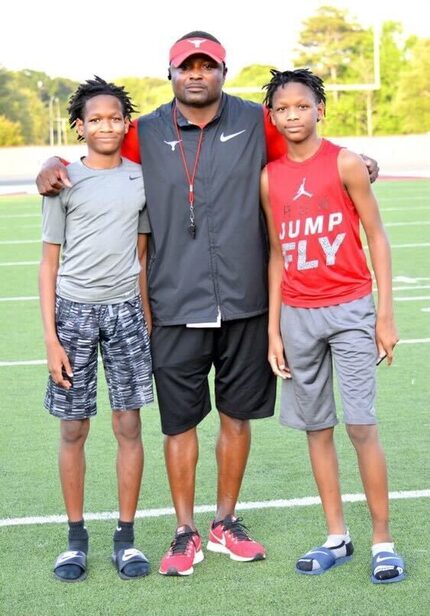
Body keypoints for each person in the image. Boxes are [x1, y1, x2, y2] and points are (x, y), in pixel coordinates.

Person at [36, 32, 380, 578]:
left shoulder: (254, 120)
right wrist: (51, 161)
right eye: (186, 66)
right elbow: (95, 152)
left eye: (208, 65)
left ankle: (225, 521)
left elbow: (304, 139)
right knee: (180, 425)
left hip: (246, 300)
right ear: (171, 73)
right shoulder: (145, 130)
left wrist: (358, 157)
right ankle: (184, 530)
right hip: (174, 301)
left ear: (223, 71)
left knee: (236, 418)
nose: (197, 74)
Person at [260, 68, 405, 584]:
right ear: (273, 117)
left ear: (320, 109)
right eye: (283, 109)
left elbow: (377, 236)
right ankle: (336, 536)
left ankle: (382, 540)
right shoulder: (269, 175)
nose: (293, 115)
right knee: (316, 429)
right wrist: (274, 329)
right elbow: (277, 254)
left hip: (350, 309)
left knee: (362, 425)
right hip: (297, 315)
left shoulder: (345, 162)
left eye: (302, 106)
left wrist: (384, 314)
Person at [39, 76, 153, 582]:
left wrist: (146, 318)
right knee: (73, 428)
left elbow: (144, 256)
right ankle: (75, 539)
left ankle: (125, 539)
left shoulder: (142, 178)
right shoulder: (62, 180)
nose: (105, 125)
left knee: (129, 426)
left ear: (126, 124)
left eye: (114, 118)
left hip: (126, 312)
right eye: (95, 119)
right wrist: (50, 338)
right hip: (74, 315)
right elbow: (48, 265)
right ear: (79, 127)